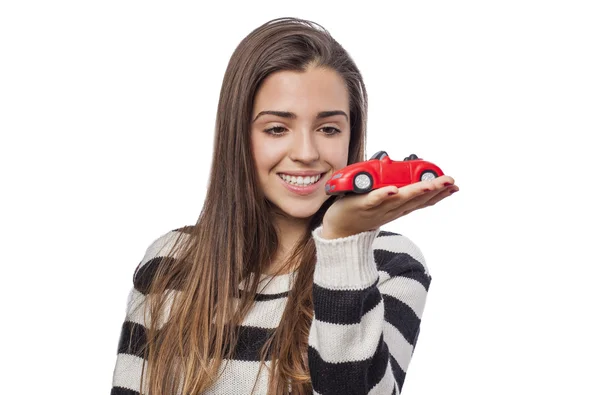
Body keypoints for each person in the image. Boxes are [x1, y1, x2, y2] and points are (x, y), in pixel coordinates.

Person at [110, 16, 458, 395]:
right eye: (277, 128)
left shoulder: (390, 262)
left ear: (351, 136)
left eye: (328, 129)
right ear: (239, 135)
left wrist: (343, 241)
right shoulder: (170, 260)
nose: (306, 154)